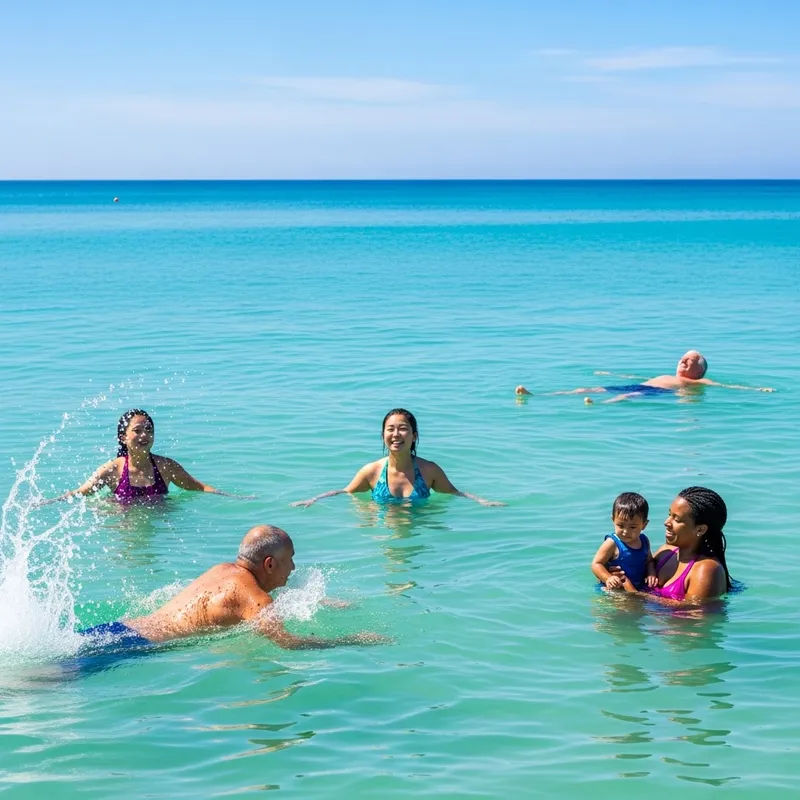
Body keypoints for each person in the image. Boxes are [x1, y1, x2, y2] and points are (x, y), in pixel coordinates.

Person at [79, 525, 386, 650]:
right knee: (47, 682)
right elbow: (288, 643)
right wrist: (351, 640)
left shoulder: (222, 571)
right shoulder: (256, 600)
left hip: (121, 628)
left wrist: (317, 600)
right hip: (134, 649)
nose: (293, 568)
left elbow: (246, 596)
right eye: (289, 561)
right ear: (269, 564)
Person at [290, 408, 504, 508]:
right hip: (383, 534)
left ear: (414, 436)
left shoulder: (429, 470)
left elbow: (454, 493)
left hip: (419, 531)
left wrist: (482, 501)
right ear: (383, 435)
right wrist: (314, 499)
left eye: (403, 429)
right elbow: (345, 492)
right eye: (390, 429)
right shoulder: (371, 471)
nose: (396, 434)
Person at [50, 409, 237, 503]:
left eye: (149, 430)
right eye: (137, 430)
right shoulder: (112, 470)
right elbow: (80, 493)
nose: (144, 435)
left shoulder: (166, 467)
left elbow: (198, 487)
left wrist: (232, 497)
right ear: (123, 437)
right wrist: (48, 502)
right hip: (124, 527)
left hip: (159, 529)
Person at [611, 486, 731, 605]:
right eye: (670, 514)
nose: (666, 522)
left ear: (700, 529)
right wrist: (614, 574)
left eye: (677, 519)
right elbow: (634, 575)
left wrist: (632, 593)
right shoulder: (666, 552)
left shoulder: (706, 570)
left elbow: (694, 617)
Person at [515, 350, 774, 401]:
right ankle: (539, 395)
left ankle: (603, 407)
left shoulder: (698, 382)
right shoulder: (663, 373)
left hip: (657, 393)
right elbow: (633, 374)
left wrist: (755, 390)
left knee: (629, 395)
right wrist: (609, 373)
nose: (684, 360)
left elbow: (725, 386)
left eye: (691, 360)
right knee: (588, 388)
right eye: (683, 357)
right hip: (643, 384)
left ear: (699, 370)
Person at [591, 492, 658, 591]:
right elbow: (596, 564)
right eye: (621, 526)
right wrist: (608, 578)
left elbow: (649, 561)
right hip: (612, 589)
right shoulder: (612, 543)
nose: (626, 532)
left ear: (644, 525)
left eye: (633, 527)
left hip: (635, 588)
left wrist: (651, 574)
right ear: (613, 520)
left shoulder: (644, 541)